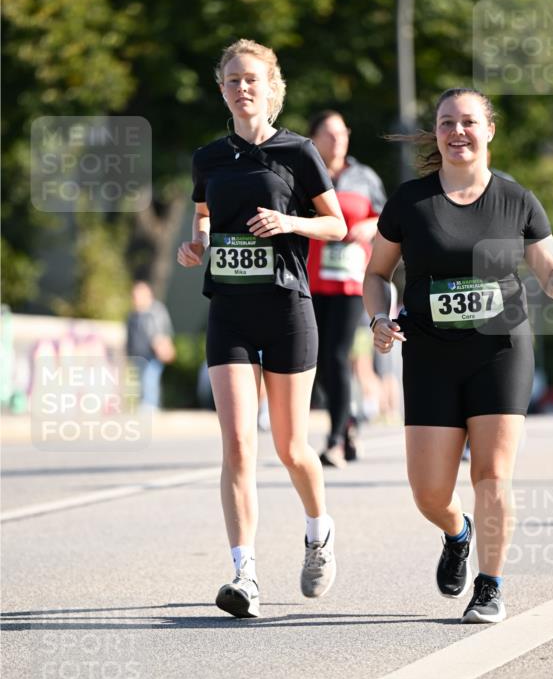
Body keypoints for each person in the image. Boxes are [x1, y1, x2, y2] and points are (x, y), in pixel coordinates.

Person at [363, 87, 553, 624]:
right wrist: (378, 318)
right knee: (429, 492)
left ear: (489, 130)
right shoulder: (409, 202)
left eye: (467, 122)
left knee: (492, 475)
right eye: (446, 123)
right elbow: (375, 274)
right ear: (436, 133)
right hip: (428, 354)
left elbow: (549, 276)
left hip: (499, 349)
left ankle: (490, 586)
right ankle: (456, 533)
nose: (457, 132)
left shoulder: (517, 201)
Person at [177, 39, 346, 618]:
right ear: (220, 89)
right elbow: (203, 216)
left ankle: (318, 532)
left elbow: (337, 226)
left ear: (271, 86)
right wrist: (195, 244)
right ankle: (244, 574)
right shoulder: (209, 159)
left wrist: (288, 220)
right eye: (231, 80)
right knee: (238, 445)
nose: (242, 88)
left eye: (251, 79)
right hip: (229, 309)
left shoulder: (298, 153)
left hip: (287, 309)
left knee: (291, 446)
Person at [307, 110, 387, 467]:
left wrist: (370, 226)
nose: (337, 140)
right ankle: (349, 421)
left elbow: (388, 216)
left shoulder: (364, 176)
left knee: (337, 355)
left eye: (342, 133)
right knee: (321, 360)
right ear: (314, 138)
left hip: (353, 281)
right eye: (328, 133)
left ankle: (336, 437)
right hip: (311, 280)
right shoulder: (304, 172)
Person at [125, 281, 175, 408]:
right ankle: (147, 405)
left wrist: (162, 345)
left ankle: (149, 406)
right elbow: (130, 337)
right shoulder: (133, 315)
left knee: (150, 380)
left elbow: (163, 331)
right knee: (141, 381)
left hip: (153, 354)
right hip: (138, 355)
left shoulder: (156, 311)